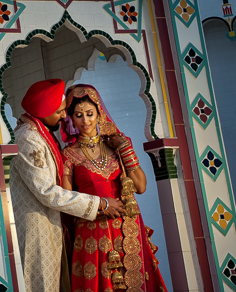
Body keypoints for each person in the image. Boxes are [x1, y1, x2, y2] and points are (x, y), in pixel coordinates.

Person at [10, 79, 123, 292]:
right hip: (39, 228)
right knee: (43, 286)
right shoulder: (28, 139)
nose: (65, 116)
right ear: (43, 111)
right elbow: (47, 192)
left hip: (54, 226)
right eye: (60, 112)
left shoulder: (42, 134)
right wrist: (100, 204)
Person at [60, 84, 167, 292]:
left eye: (90, 114)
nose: (85, 121)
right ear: (71, 119)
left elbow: (141, 186)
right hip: (93, 231)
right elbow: (66, 202)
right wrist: (101, 207)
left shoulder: (117, 146)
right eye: (78, 115)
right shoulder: (69, 155)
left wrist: (125, 148)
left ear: (99, 113)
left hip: (127, 228)